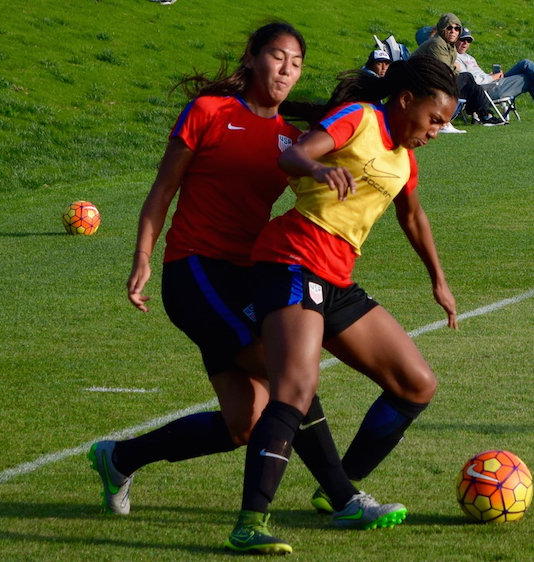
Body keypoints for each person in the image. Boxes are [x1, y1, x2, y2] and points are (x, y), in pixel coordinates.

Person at [87, 22, 386, 533]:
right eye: (277, 56)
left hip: (247, 279)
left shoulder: (293, 138)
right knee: (291, 374)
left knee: (243, 423)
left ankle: (119, 458)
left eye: (296, 63)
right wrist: (143, 255)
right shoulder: (208, 113)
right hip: (195, 272)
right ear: (250, 58)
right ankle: (343, 496)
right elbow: (162, 190)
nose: (286, 70)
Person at [224, 55, 459, 555]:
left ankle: (341, 491)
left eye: (445, 124)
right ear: (405, 101)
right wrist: (317, 168)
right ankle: (250, 521)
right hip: (290, 262)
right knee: (294, 388)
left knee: (416, 384)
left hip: (336, 277)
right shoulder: (360, 119)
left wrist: (438, 280)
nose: (438, 131)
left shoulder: (405, 159)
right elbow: (293, 157)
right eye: (435, 119)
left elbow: (413, 217)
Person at [455, 28, 534, 120]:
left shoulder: (469, 57)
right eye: (462, 40)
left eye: (468, 40)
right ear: (455, 40)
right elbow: (469, 82)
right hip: (484, 92)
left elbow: (478, 74)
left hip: (492, 83)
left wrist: (492, 76)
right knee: (529, 79)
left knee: (525, 64)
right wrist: (491, 77)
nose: (465, 43)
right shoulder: (454, 59)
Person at [414, 13, 505, 125]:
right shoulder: (437, 43)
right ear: (443, 29)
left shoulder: (449, 46)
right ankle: (476, 114)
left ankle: (487, 116)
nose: (453, 31)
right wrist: (455, 68)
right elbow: (446, 70)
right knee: (467, 77)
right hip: (424, 83)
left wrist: (454, 69)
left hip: (437, 81)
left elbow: (450, 70)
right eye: (449, 28)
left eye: (457, 28)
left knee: (474, 88)